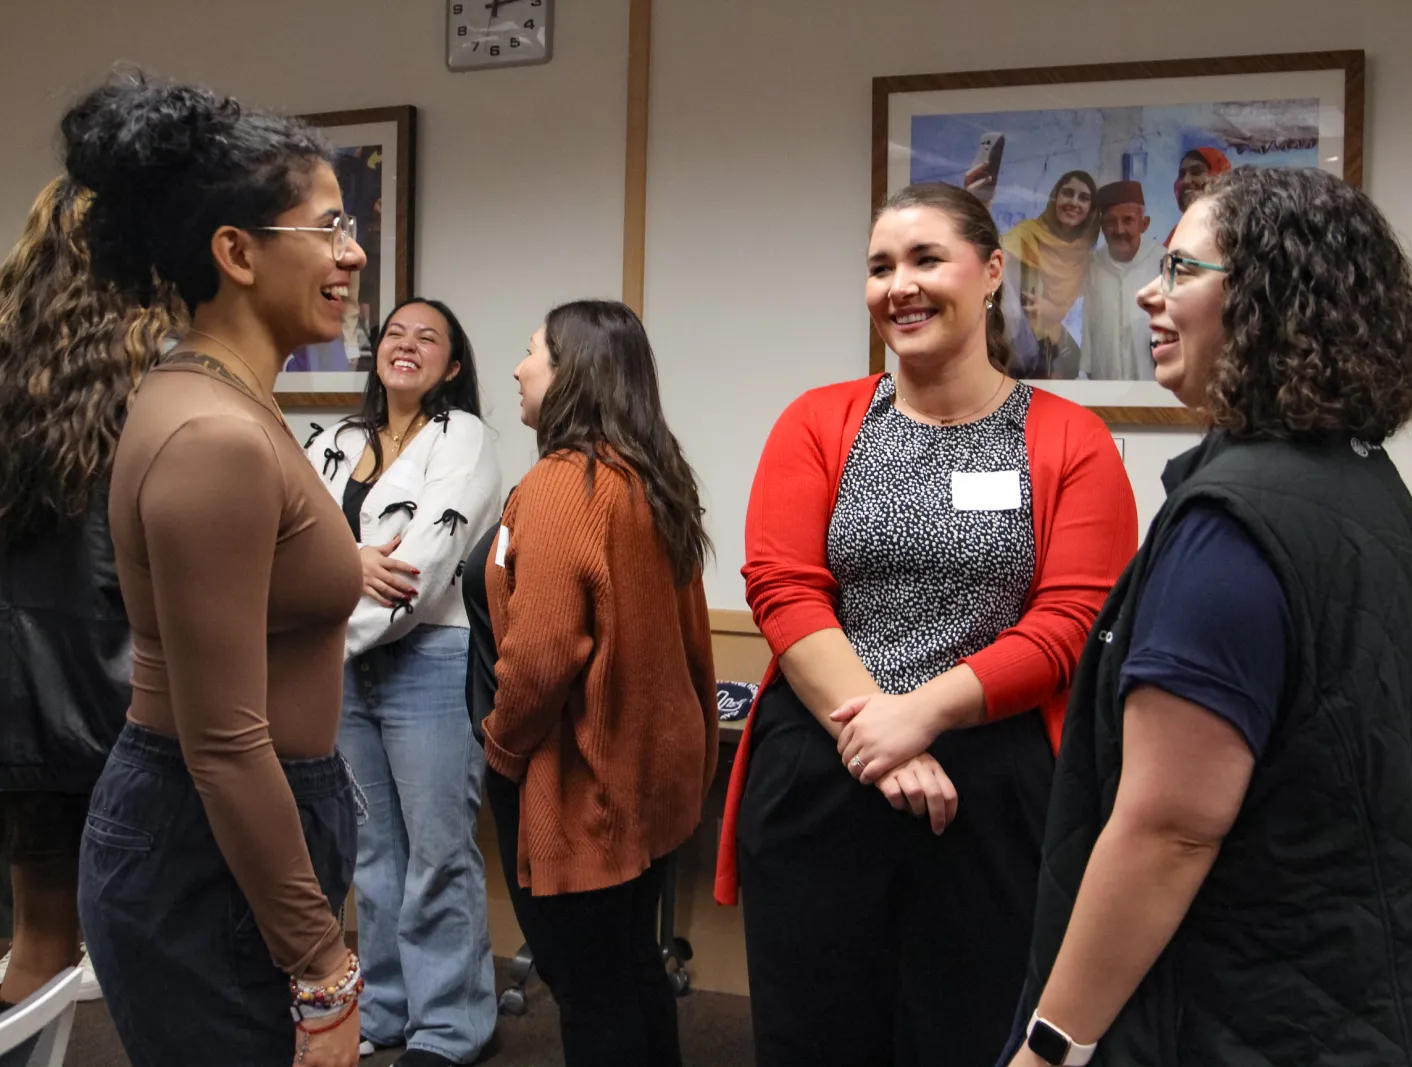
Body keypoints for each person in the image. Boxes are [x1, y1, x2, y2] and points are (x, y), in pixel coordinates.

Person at [1002, 166, 1412, 1066]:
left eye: (1182, 270)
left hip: (1239, 1012)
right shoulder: (1362, 485)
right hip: (1355, 996)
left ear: (1265, 299)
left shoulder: (1232, 524)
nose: (1148, 290)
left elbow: (1170, 828)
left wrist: (1051, 1046)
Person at [716, 181, 1137, 1067]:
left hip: (989, 791)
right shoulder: (819, 421)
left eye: (924, 259)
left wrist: (926, 713)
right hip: (826, 763)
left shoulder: (1070, 439)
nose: (897, 285)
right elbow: (783, 588)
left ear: (990, 273)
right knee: (815, 1037)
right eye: (879, 267)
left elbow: (1072, 618)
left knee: (970, 1031)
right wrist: (887, 732)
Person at [63, 71, 368, 1067]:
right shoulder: (215, 437)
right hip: (212, 839)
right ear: (235, 252)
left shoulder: (214, 401)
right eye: (327, 228)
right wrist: (323, 967)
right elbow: (227, 743)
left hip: (231, 826)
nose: (351, 252)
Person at [482, 299, 718, 1067]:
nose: (517, 369)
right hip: (646, 783)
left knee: (589, 994)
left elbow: (542, 655)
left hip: (582, 791)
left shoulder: (561, 485)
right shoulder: (652, 476)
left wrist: (500, 749)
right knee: (631, 971)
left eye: (531, 353)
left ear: (573, 373)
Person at [0, 177, 184, 1009]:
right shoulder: (162, 381)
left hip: (18, 700)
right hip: (124, 696)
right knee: (160, 946)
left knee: (36, 943)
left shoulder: (8, 366)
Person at [304, 297, 500, 1066]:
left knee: (438, 850)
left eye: (429, 337)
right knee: (369, 849)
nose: (406, 344)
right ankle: (385, 1007)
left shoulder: (466, 438)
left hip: (429, 659)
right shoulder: (331, 442)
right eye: (395, 332)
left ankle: (452, 1025)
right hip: (342, 666)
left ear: (452, 366)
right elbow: (298, 548)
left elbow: (415, 575)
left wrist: (322, 625)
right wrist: (343, 574)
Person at [1000, 170, 1099, 378]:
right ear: (1056, 197)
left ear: (1091, 209)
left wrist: (1048, 309)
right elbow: (998, 280)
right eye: (1068, 193)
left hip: (1049, 342)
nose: (1074, 202)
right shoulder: (1026, 234)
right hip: (1016, 344)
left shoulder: (1083, 256)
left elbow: (1064, 312)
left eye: (1084, 198)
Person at [1080, 181, 1162, 381]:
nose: (1119, 230)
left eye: (1128, 220)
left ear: (1144, 223)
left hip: (1153, 386)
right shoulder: (1094, 265)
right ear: (1101, 227)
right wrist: (1088, 368)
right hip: (1105, 380)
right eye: (1110, 222)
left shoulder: (1163, 262)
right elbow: (1088, 319)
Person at [1164, 146, 1231, 246]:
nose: (1185, 181)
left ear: (1219, 176)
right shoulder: (1177, 234)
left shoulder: (1235, 231)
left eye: (1196, 172)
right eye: (1182, 175)